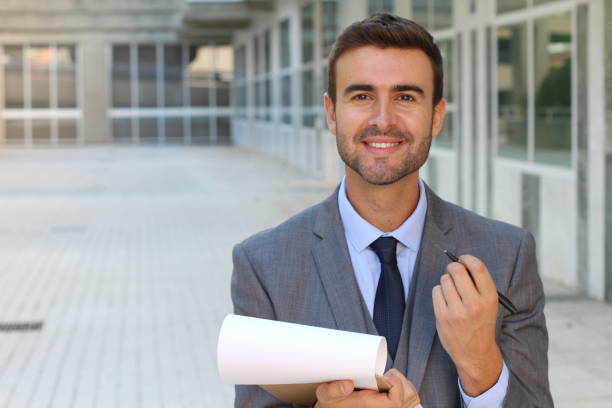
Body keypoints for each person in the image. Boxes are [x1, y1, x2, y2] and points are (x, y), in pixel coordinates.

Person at [231, 12, 553, 408]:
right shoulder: (263, 265)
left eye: (405, 97)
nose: (383, 120)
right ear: (332, 113)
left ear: (436, 116)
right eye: (362, 96)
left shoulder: (508, 254)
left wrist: (480, 364)